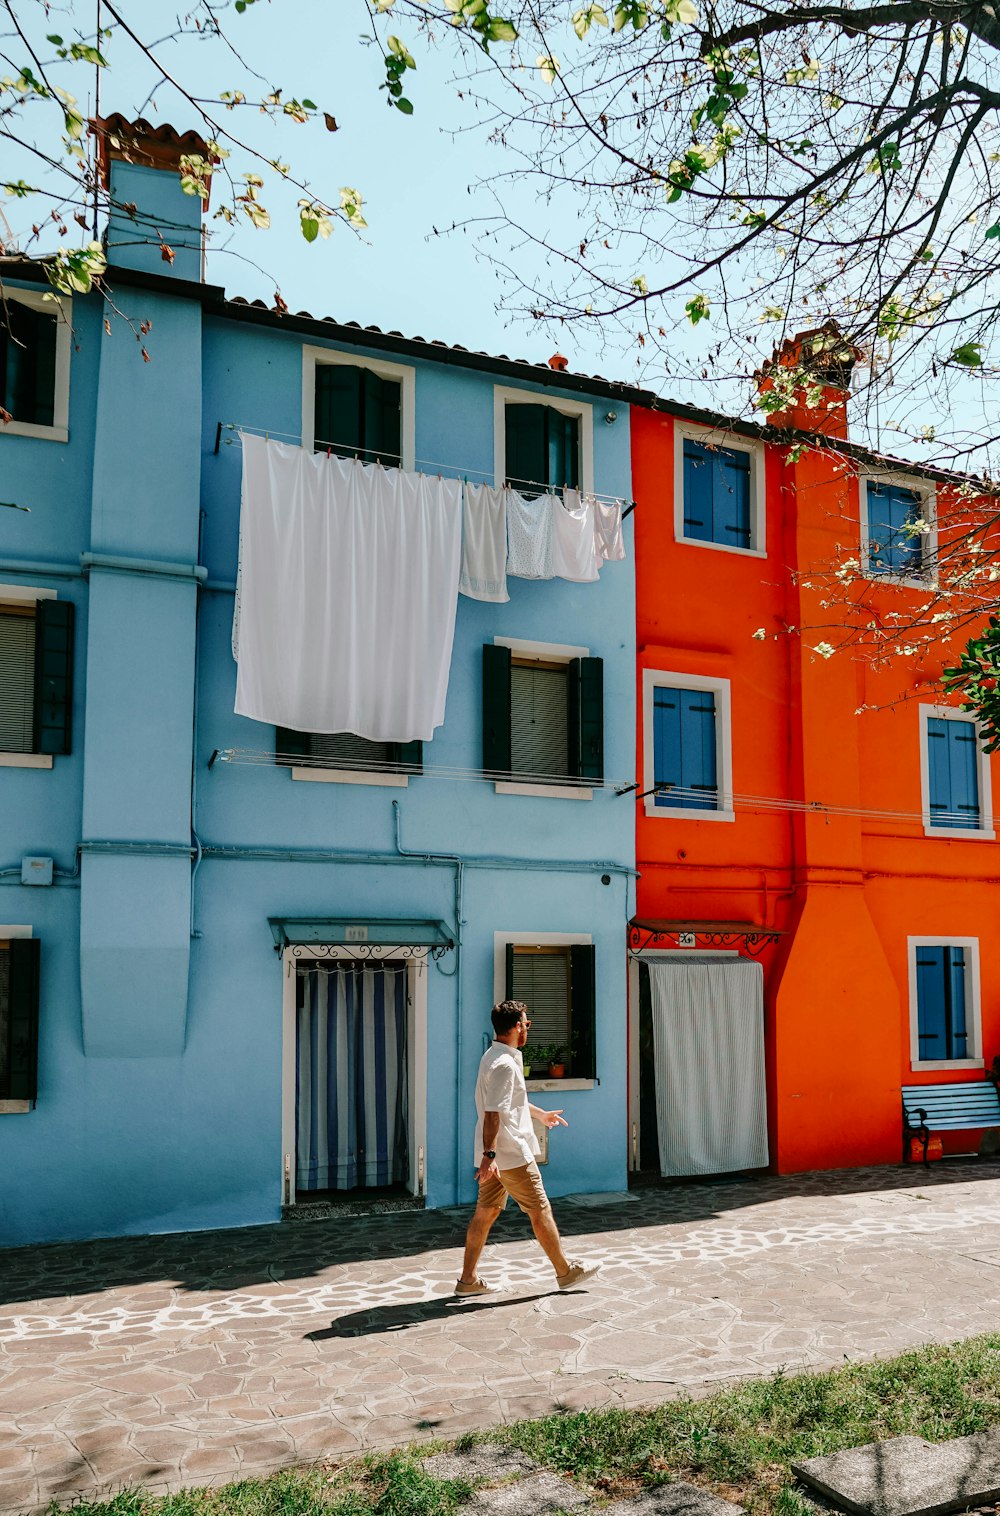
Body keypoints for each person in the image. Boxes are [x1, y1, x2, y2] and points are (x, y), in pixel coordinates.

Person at [456, 998, 600, 1296]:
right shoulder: (505, 1064)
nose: (528, 1029)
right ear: (517, 1026)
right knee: (540, 1210)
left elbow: (511, 1104)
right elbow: (493, 1114)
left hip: (499, 1156)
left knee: (485, 1213)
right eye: (527, 1023)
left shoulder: (495, 1056)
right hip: (509, 1154)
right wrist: (490, 1156)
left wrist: (540, 1114)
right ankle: (565, 1272)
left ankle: (467, 1280)